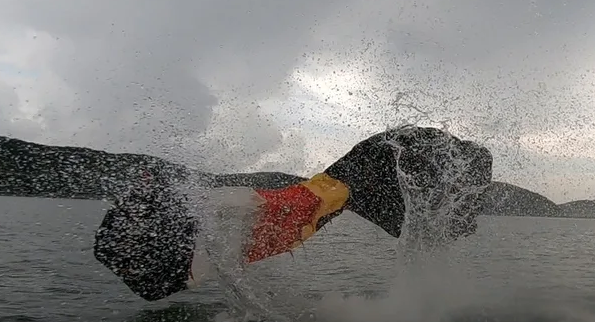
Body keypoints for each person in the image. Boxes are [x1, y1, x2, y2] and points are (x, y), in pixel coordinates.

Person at [93, 126, 492, 301]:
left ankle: (161, 215)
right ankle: (159, 215)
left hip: (330, 190)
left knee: (312, 202)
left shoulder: (383, 168)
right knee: (309, 204)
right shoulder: (394, 164)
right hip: (327, 192)